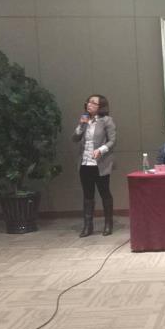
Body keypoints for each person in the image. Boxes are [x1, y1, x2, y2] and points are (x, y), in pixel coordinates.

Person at [72, 94, 116, 237]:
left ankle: (108, 224)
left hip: (100, 163)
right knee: (87, 194)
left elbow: (112, 141)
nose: (89, 104)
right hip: (85, 162)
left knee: (104, 193)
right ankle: (88, 226)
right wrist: (81, 125)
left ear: (100, 106)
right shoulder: (85, 119)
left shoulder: (107, 120)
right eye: (88, 102)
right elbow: (75, 138)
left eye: (93, 103)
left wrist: (101, 150)